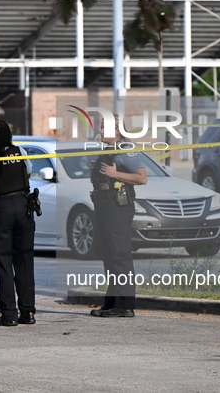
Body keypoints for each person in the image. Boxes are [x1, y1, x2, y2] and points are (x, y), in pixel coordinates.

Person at [89, 115, 147, 318]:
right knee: (108, 255)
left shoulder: (125, 150)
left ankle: (124, 305)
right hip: (104, 206)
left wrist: (115, 175)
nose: (101, 129)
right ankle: (112, 302)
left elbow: (142, 178)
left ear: (119, 131)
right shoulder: (107, 152)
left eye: (106, 126)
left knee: (120, 255)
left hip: (118, 208)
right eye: (101, 125)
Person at [0, 119, 36, 326]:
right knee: (24, 262)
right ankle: (28, 312)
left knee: (4, 263)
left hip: (0, 208)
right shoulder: (20, 151)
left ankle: (9, 314)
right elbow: (28, 173)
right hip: (23, 207)